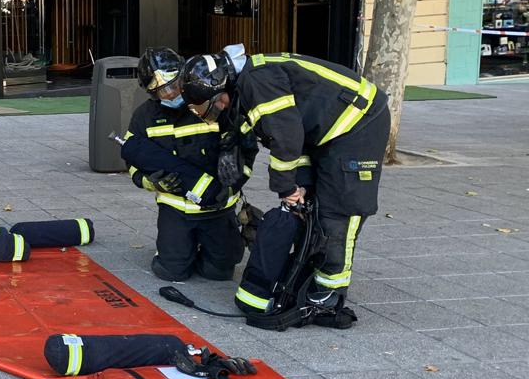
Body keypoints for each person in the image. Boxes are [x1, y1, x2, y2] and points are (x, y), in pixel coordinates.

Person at [180, 44, 389, 328]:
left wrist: (284, 187)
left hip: (358, 127)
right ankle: (312, 273)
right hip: (327, 132)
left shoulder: (257, 82)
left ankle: (330, 292)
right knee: (312, 206)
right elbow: (295, 134)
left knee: (338, 213)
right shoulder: (248, 83)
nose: (219, 109)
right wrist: (299, 184)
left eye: (215, 103)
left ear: (221, 88)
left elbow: (286, 138)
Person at [121, 48, 252, 282]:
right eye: (162, 90)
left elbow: (247, 151)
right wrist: (150, 182)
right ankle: (176, 249)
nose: (170, 94)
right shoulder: (144, 117)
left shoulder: (215, 104)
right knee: (172, 272)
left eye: (174, 84)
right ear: (151, 91)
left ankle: (213, 247)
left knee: (219, 273)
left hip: (218, 209)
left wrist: (231, 186)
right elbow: (133, 160)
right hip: (176, 211)